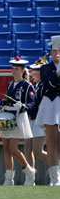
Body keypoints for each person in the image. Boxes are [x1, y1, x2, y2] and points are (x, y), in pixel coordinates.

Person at [0, 57, 36, 186]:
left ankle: (29, 170)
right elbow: (9, 100)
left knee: (13, 148)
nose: (13, 71)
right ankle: (9, 178)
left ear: (23, 70)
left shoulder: (27, 85)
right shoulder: (10, 84)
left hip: (18, 117)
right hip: (7, 115)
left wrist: (23, 106)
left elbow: (32, 102)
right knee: (6, 148)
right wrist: (1, 102)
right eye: (12, 69)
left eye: (16, 69)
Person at [35, 35, 60, 186]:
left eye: (59, 50)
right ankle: (55, 178)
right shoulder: (45, 68)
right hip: (50, 104)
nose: (57, 53)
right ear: (50, 53)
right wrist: (57, 73)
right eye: (54, 51)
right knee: (51, 142)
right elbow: (48, 87)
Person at [26, 62, 48, 184]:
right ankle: (30, 178)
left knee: (38, 150)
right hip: (31, 119)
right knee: (27, 149)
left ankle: (55, 167)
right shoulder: (35, 86)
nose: (33, 74)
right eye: (33, 71)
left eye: (36, 72)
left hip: (40, 120)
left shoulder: (43, 86)